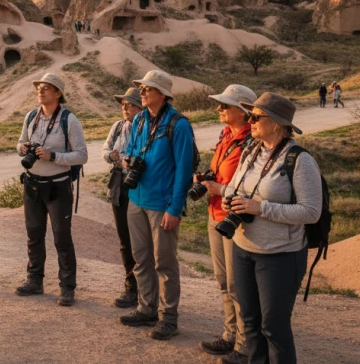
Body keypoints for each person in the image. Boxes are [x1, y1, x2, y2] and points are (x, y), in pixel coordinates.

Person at [219, 93, 322, 364]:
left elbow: (311, 212)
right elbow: (240, 187)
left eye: (255, 117)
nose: (250, 121)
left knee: (274, 328)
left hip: (280, 255)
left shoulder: (299, 160)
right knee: (250, 322)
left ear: (276, 123)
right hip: (244, 248)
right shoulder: (252, 150)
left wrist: (259, 208)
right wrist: (229, 196)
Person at [118, 70, 195, 341]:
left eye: (147, 89)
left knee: (164, 262)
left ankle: (168, 317)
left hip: (162, 204)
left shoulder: (179, 125)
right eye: (142, 88)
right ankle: (146, 308)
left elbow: (184, 170)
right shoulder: (139, 119)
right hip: (136, 198)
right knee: (141, 258)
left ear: (162, 94)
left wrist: (174, 208)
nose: (142, 92)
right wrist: (129, 160)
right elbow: (135, 149)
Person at [15, 73, 88, 307]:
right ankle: (35, 281)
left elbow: (82, 155)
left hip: (58, 187)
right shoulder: (31, 117)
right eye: (39, 87)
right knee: (34, 235)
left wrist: (53, 156)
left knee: (61, 238)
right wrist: (23, 147)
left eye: (47, 88)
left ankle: (67, 288)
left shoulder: (69, 120)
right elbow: (18, 144)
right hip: (33, 185)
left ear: (58, 93)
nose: (41, 91)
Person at [196, 85, 257, 363]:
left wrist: (218, 189)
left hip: (237, 221)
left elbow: (251, 185)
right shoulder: (226, 136)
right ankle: (230, 335)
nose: (219, 109)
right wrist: (206, 181)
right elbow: (221, 173)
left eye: (225, 105)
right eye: (219, 105)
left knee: (238, 284)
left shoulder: (251, 141)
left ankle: (245, 346)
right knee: (223, 280)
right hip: (216, 216)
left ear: (243, 111)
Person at [102, 87, 143, 309]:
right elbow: (105, 150)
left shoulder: (146, 128)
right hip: (119, 184)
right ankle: (131, 287)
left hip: (139, 185)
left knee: (141, 240)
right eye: (123, 104)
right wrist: (111, 156)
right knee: (124, 240)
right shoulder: (117, 127)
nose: (124, 108)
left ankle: (146, 288)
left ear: (140, 107)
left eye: (129, 104)